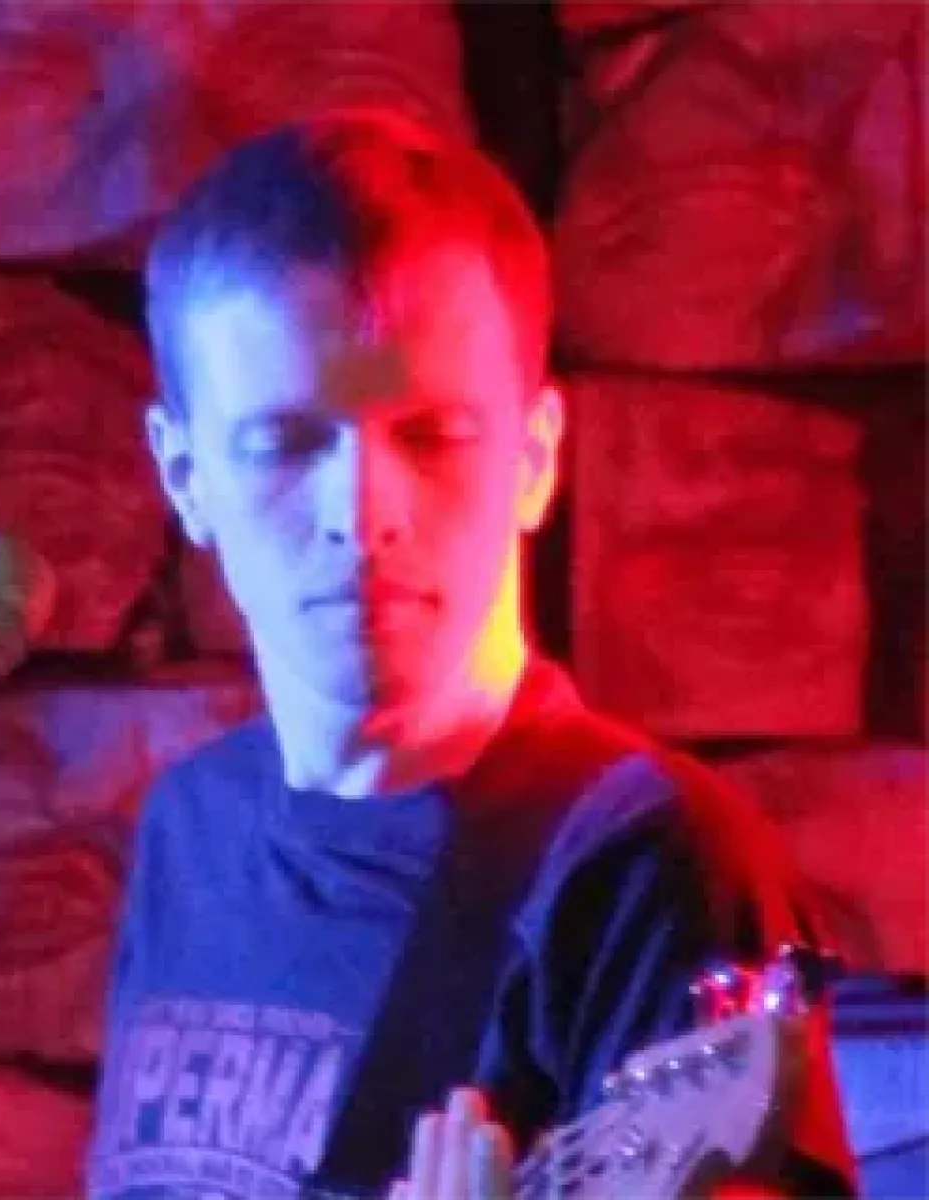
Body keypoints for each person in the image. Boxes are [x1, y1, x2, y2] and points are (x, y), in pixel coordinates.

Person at [86, 107, 858, 1199]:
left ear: (536, 459)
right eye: (285, 444)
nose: (363, 514)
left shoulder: (644, 866)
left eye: (432, 436)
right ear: (184, 478)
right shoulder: (192, 826)